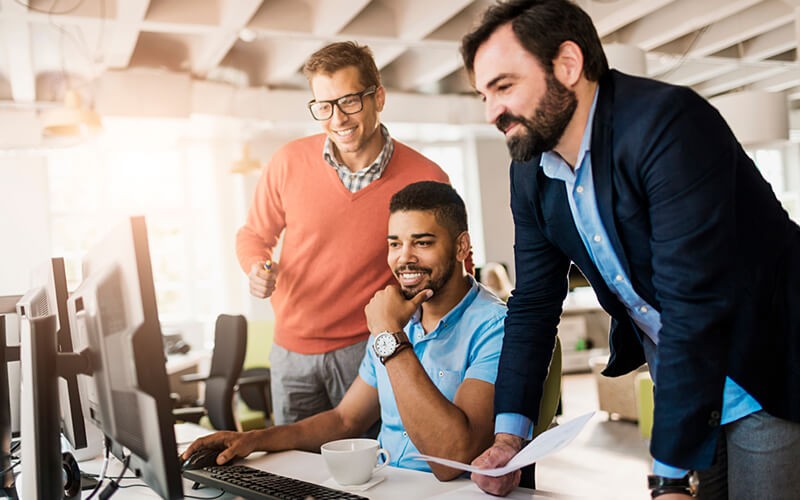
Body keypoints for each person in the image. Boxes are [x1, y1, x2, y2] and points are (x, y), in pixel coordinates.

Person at [460, 1, 800, 498]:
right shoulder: (530, 168)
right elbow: (533, 303)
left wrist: (667, 478)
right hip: (681, 371)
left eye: (504, 86)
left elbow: (691, 301)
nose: (492, 111)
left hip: (766, 354)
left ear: (568, 65)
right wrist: (510, 436)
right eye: (483, 95)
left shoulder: (668, 123)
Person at [184, 181, 506, 480]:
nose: (404, 258)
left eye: (422, 243)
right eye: (395, 244)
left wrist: (389, 335)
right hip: (382, 483)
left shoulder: (493, 326)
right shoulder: (394, 314)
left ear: (462, 246)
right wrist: (254, 439)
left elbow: (452, 457)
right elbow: (345, 419)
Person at [236, 42, 449, 425]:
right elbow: (254, 235)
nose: (338, 119)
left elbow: (448, 270)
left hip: (368, 350)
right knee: (293, 476)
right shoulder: (288, 162)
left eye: (350, 101)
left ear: (377, 97)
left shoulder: (426, 177)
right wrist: (258, 266)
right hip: (291, 352)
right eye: (324, 106)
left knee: (372, 472)